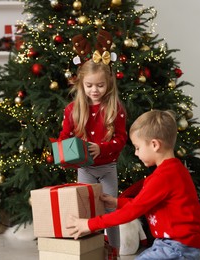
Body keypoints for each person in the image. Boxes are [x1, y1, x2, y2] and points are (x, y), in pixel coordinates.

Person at [66, 110, 200, 260]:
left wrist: (89, 224)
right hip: (172, 244)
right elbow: (144, 204)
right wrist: (117, 202)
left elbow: (131, 212)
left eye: (138, 148)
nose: (137, 154)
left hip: (176, 247)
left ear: (154, 145)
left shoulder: (163, 177)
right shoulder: (174, 170)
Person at [58, 57, 127, 258]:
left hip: (107, 169)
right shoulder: (73, 109)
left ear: (109, 84)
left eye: (100, 85)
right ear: (81, 84)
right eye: (89, 85)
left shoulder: (116, 109)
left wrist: (102, 148)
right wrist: (64, 153)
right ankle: (91, 248)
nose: (94, 90)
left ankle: (114, 249)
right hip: (85, 169)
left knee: (110, 210)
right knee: (85, 210)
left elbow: (121, 139)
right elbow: (65, 137)